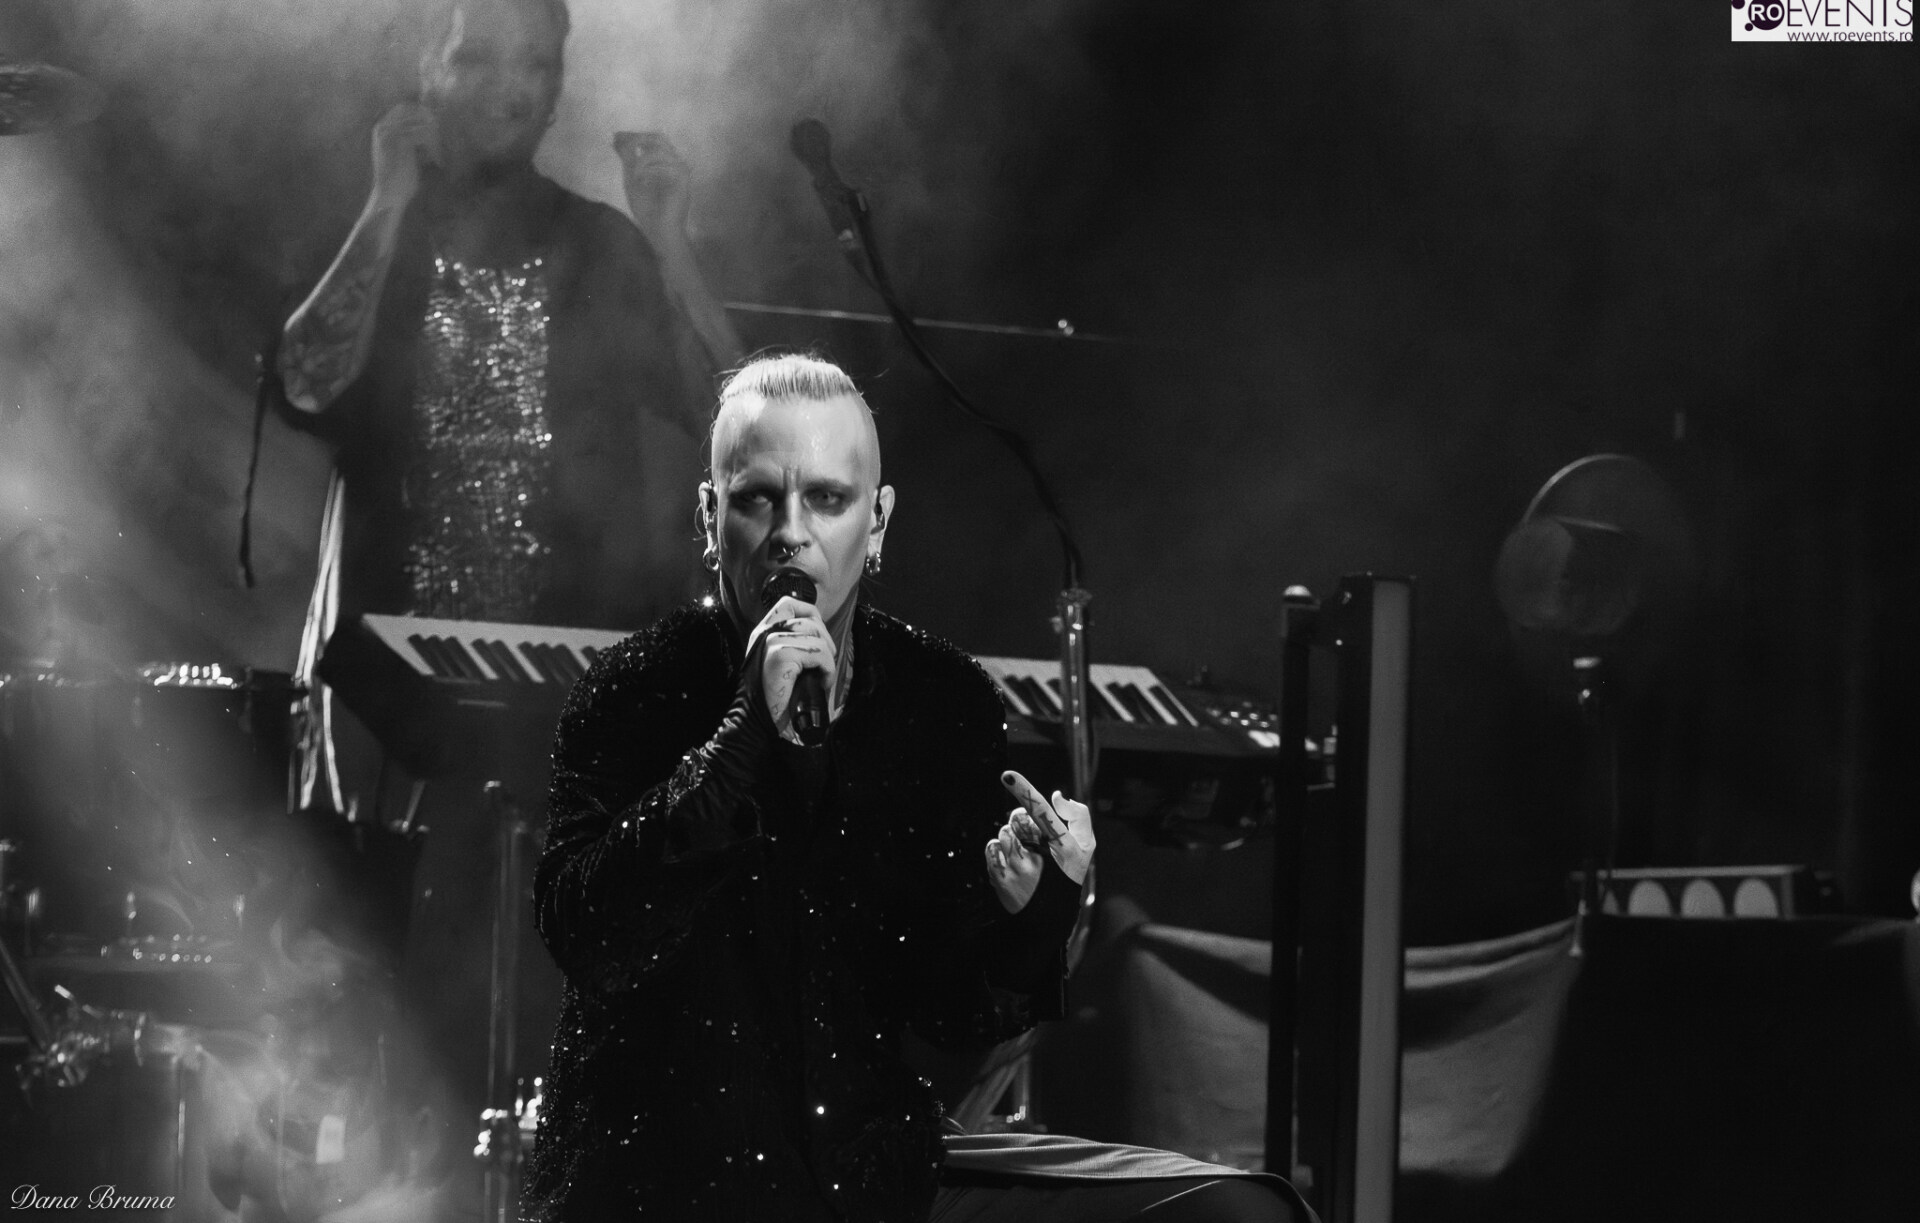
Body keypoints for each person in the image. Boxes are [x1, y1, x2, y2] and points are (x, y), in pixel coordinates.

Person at [524, 353, 1303, 1222]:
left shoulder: (939, 699)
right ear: (711, 518)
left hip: (868, 1178)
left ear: (878, 522)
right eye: (757, 499)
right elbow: (584, 932)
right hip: (662, 1185)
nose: (791, 533)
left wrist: (1034, 914)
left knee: (1243, 1213)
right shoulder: (631, 690)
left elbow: (953, 1011)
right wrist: (741, 739)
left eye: (827, 498)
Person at [271, 0, 742, 1208]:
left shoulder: (599, 243)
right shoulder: (386, 220)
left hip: (560, 704)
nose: (513, 86)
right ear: (428, 66)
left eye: (539, 63)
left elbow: (736, 421)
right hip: (390, 701)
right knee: (380, 1021)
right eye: (481, 57)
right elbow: (307, 383)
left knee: (553, 1023)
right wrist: (384, 202)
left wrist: (673, 239)